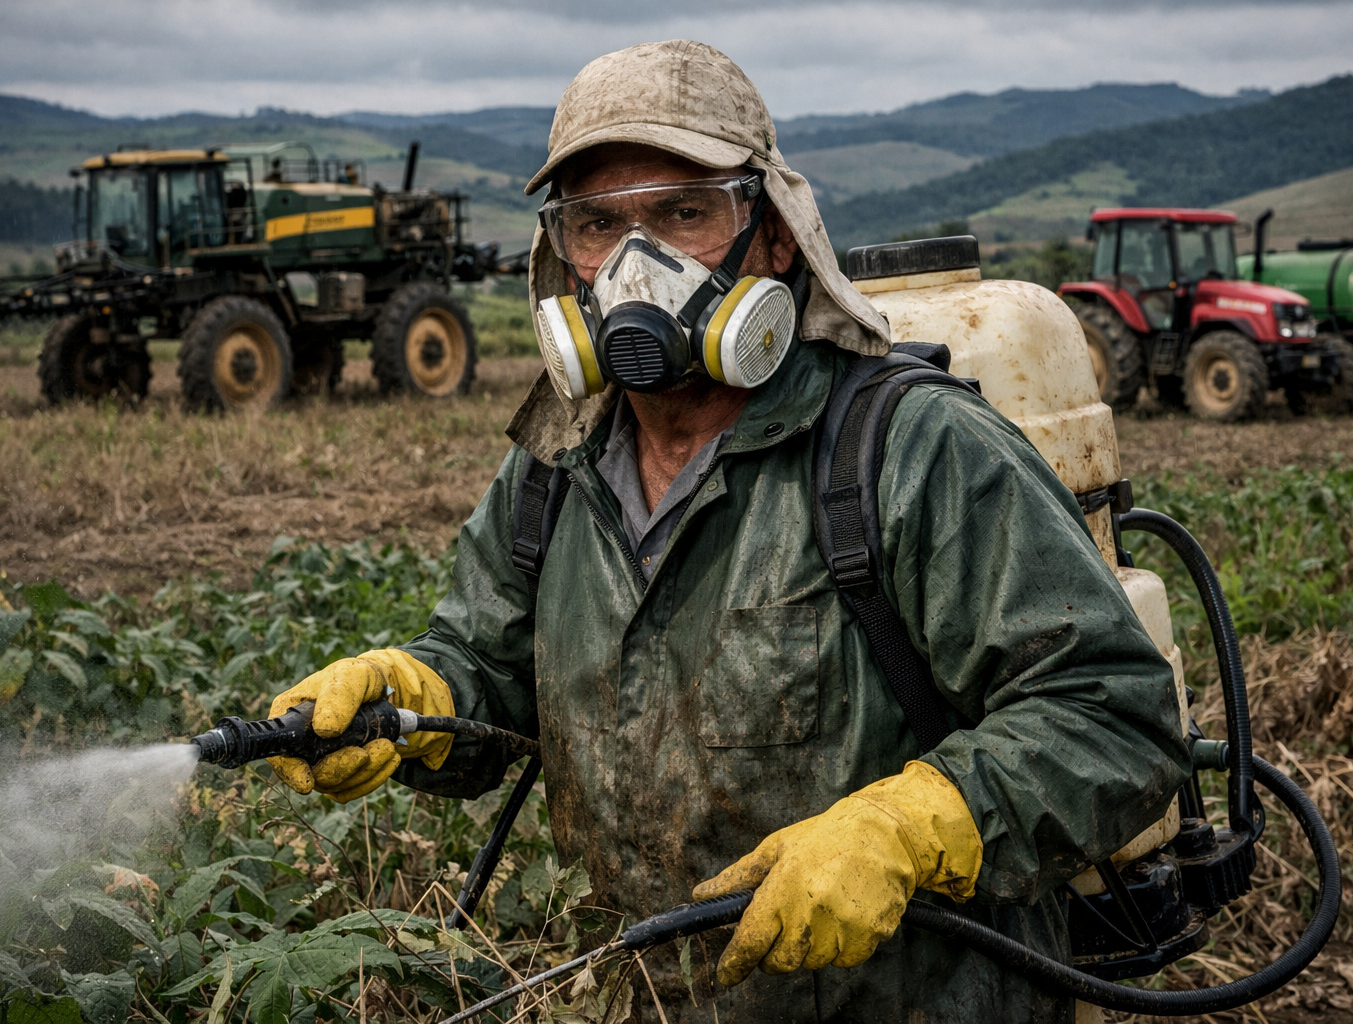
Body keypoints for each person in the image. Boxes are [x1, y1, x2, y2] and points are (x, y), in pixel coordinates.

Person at [265, 40, 1188, 1022]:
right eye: (596, 224)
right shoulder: (553, 467)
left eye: (683, 213)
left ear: (776, 236)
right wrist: (417, 699)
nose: (632, 266)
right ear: (561, 251)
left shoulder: (907, 448)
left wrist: (915, 824)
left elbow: (1115, 718)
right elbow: (487, 676)